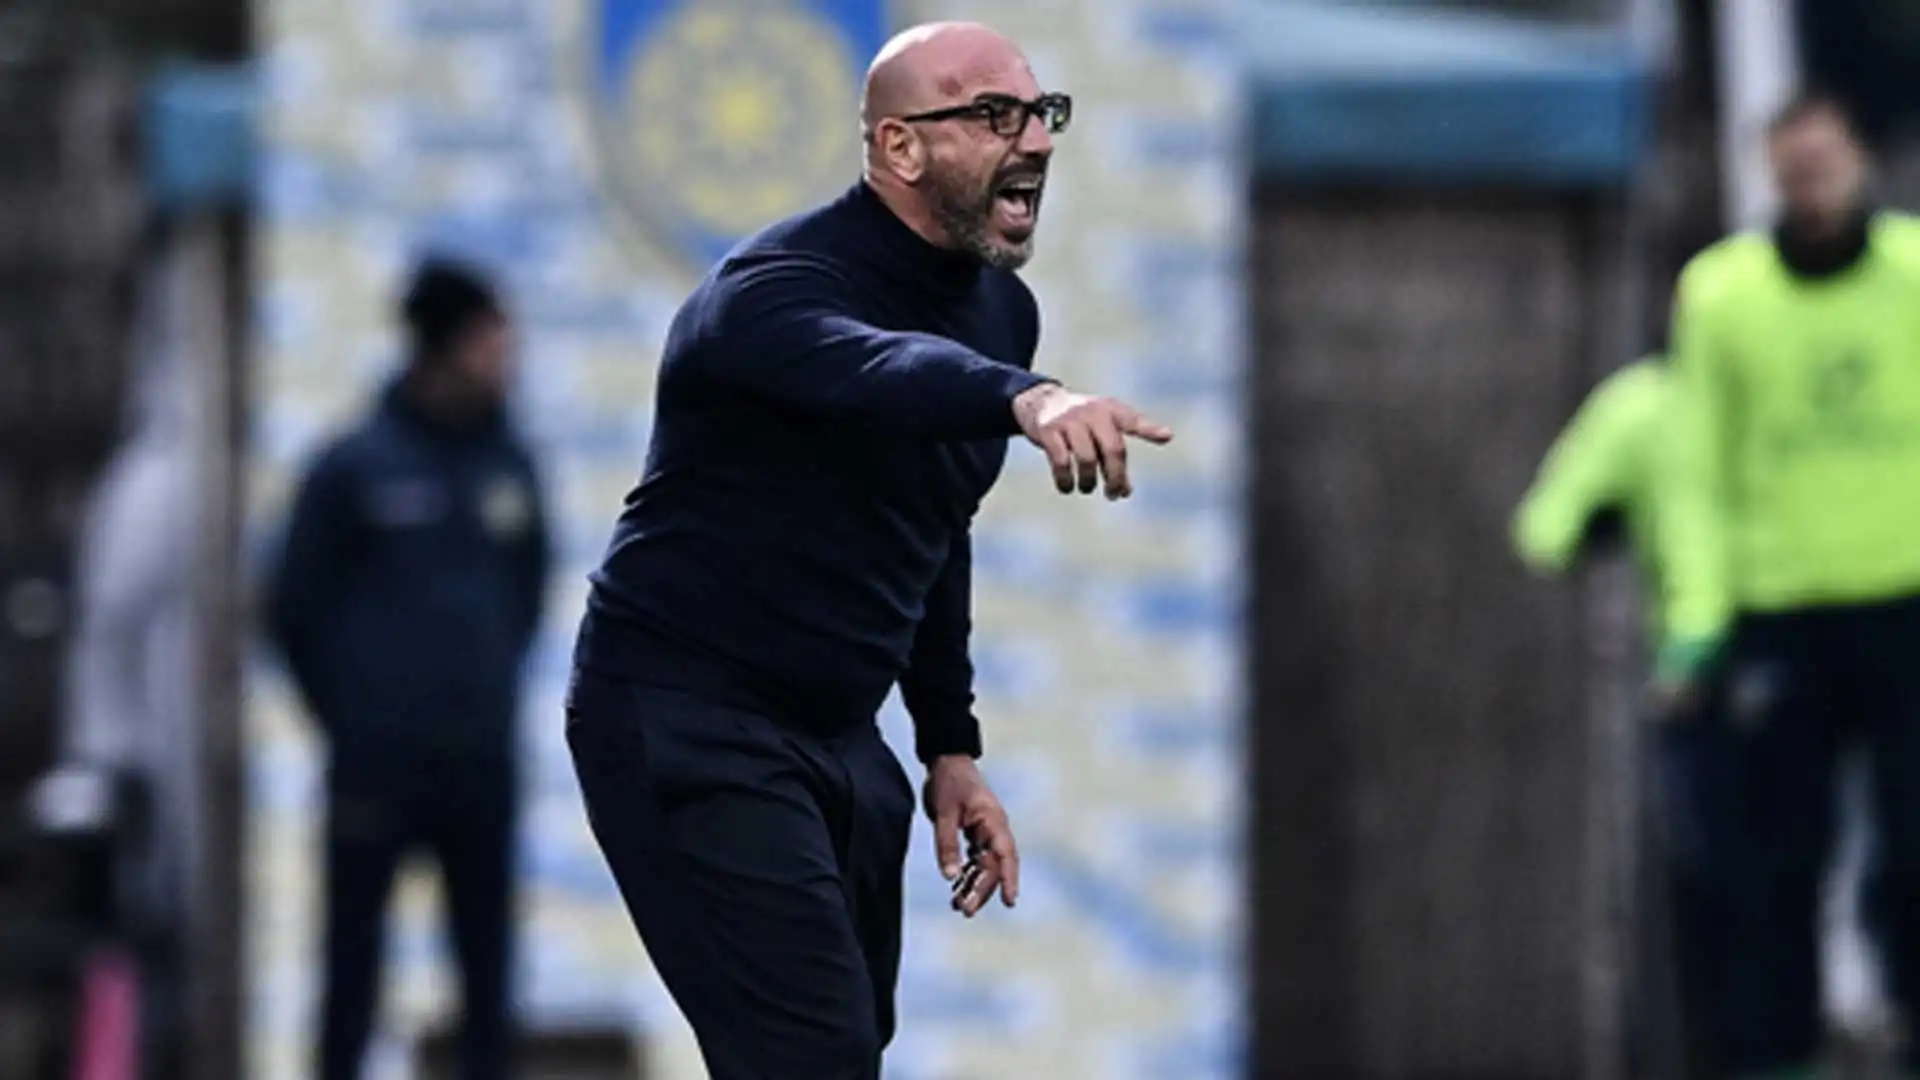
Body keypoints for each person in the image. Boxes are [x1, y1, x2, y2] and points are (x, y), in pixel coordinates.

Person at [563, 20, 1173, 1080]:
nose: (1034, 139)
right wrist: (1026, 398)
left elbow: (932, 523)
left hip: (841, 735)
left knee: (846, 1050)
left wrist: (950, 746)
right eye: (994, 115)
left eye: (1041, 112)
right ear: (899, 146)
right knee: (811, 1056)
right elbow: (881, 369)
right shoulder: (768, 291)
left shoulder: (1002, 311)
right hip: (686, 714)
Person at [1662, 90, 1920, 1080]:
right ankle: (1778, 1058)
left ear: (1861, 161)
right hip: (1780, 612)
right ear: (1769, 171)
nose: (1812, 183)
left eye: (1827, 162)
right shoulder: (1723, 294)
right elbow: (1695, 469)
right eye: (1793, 166)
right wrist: (1698, 617)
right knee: (1774, 860)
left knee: (1914, 849)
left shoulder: (1911, 275)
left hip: (1904, 602)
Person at [265, 258, 551, 1080]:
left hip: (480, 763)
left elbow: (526, 593)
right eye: (491, 341)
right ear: (447, 347)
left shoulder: (510, 466)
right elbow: (291, 609)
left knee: (488, 979)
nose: (506, 360)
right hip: (375, 768)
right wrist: (354, 715)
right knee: (353, 973)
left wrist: (483, 689)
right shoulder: (354, 467)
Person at [1512, 356, 1725, 1079]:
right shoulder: (1644, 409)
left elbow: (1547, 530)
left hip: (1737, 676)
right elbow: (1548, 527)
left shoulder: (1645, 404)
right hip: (1710, 687)